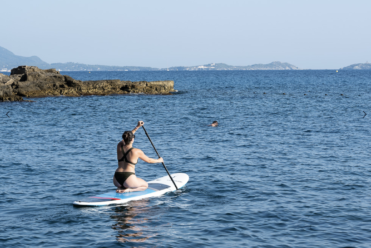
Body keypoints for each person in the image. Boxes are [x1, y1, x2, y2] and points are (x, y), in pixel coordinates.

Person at [113, 121, 163, 193]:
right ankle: (128, 190)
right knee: (145, 185)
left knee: (126, 183)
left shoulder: (119, 146)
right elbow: (149, 160)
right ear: (132, 139)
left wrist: (137, 127)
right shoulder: (136, 151)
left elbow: (127, 137)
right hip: (128, 178)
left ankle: (121, 187)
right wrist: (159, 160)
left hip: (116, 179)